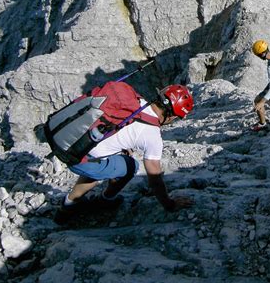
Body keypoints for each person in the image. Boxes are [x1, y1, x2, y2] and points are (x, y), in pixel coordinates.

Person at [54, 84, 194, 224]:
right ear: (171, 116)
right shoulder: (152, 136)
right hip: (81, 159)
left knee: (99, 160)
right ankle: (104, 200)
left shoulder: (136, 102)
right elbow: (154, 178)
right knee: (130, 165)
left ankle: (68, 204)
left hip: (68, 144)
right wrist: (169, 204)